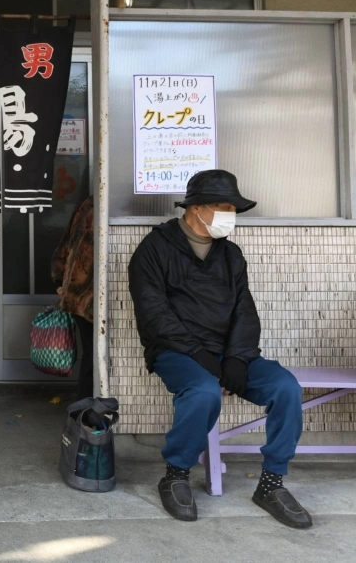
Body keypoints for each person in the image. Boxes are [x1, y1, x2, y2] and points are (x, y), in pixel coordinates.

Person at [128, 169, 311, 528]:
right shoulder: (154, 249)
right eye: (223, 207)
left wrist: (237, 359)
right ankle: (176, 474)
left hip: (230, 352)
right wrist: (202, 358)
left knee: (286, 388)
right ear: (196, 208)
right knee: (203, 392)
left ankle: (271, 484)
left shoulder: (230, 254)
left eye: (232, 209)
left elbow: (244, 310)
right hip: (177, 351)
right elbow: (154, 314)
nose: (230, 215)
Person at [51, 196, 95, 399]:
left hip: (76, 292)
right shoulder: (102, 209)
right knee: (94, 355)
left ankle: (83, 406)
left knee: (90, 354)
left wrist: (62, 282)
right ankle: (86, 407)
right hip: (89, 295)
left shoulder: (86, 205)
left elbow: (64, 247)